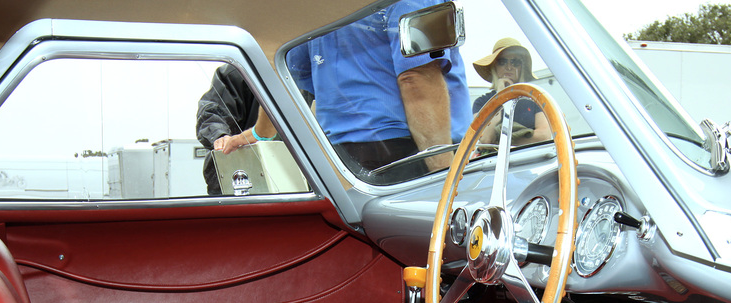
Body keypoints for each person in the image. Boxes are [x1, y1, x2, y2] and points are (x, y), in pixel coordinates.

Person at [287, 0, 471, 184]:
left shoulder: (313, 6)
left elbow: (295, 68)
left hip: (338, 155)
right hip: (408, 152)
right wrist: (446, 174)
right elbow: (416, 77)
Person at [196, 64, 275, 195]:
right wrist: (220, 135)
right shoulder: (238, 72)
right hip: (240, 178)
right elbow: (212, 111)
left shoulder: (298, 70)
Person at [471, 38, 551, 147]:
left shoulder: (534, 98)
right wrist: (499, 97)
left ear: (521, 67)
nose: (509, 67)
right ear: (494, 66)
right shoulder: (481, 102)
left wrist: (502, 140)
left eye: (515, 62)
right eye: (502, 62)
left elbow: (544, 135)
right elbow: (486, 139)